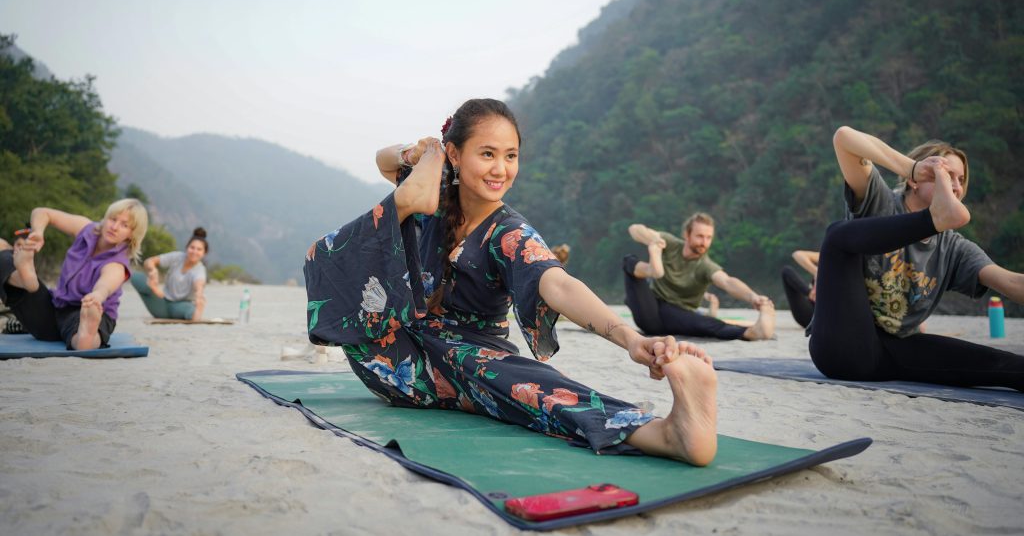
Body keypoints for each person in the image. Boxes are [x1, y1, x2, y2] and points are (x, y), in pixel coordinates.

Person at [304, 98, 719, 465]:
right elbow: (383, 160)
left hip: (470, 362)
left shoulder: (510, 233)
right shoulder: (434, 192)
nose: (501, 169)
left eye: (511, 156)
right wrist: (420, 152)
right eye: (487, 154)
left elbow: (558, 285)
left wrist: (630, 338)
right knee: (330, 258)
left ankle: (668, 434)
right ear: (454, 154)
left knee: (525, 388)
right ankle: (402, 203)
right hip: (399, 359)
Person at [808, 126, 1024, 390]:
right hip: (843, 347)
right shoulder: (881, 203)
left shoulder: (954, 248)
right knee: (836, 237)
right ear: (915, 180)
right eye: (946, 176)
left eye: (961, 180)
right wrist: (912, 167)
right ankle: (931, 219)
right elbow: (843, 138)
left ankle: (933, 220)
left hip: (894, 353)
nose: (955, 187)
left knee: (1008, 365)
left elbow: (1013, 283)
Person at [0, 200, 148, 350]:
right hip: (53, 309)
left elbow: (105, 285)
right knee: (3, 255)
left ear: (131, 234)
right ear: (106, 217)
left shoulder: (117, 264)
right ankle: (27, 279)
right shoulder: (86, 229)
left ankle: (86, 336)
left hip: (83, 312)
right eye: (113, 219)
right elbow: (42, 212)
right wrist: (37, 232)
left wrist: (96, 297)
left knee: (81, 326)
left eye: (124, 225)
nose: (115, 227)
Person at [623, 214, 776, 341]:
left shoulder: (706, 266)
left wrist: (753, 297)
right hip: (649, 308)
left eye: (708, 238)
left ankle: (752, 332)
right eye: (700, 236)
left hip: (678, 316)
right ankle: (652, 269)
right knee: (629, 260)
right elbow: (635, 229)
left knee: (709, 324)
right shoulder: (670, 244)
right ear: (687, 235)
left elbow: (728, 282)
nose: (704, 242)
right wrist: (653, 240)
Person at [130, 227, 209, 321]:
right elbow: (149, 261)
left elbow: (199, 285)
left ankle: (195, 314)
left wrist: (199, 297)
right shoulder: (178, 257)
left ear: (204, 253)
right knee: (136, 277)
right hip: (162, 302)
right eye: (192, 247)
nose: (194, 252)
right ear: (187, 248)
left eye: (199, 249)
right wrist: (153, 271)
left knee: (190, 311)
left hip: (181, 306)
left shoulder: (200, 270)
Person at [781, 250, 818, 328]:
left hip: (830, 313)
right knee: (787, 271)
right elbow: (797, 254)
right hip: (810, 312)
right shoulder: (828, 255)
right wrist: (817, 272)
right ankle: (809, 293)